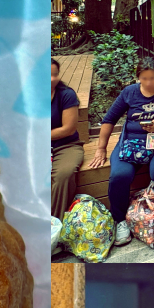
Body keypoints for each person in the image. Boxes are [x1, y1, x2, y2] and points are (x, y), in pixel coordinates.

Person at [84, 58, 154, 245]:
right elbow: (109, 120)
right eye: (144, 78)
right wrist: (100, 149)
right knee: (119, 175)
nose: (149, 83)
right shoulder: (129, 92)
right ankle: (120, 221)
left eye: (153, 78)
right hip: (131, 143)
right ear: (138, 77)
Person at [50, 58, 85, 218]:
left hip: (66, 145)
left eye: (55, 74)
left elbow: (69, 129)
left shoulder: (66, 95)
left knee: (63, 174)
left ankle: (54, 224)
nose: (52, 79)